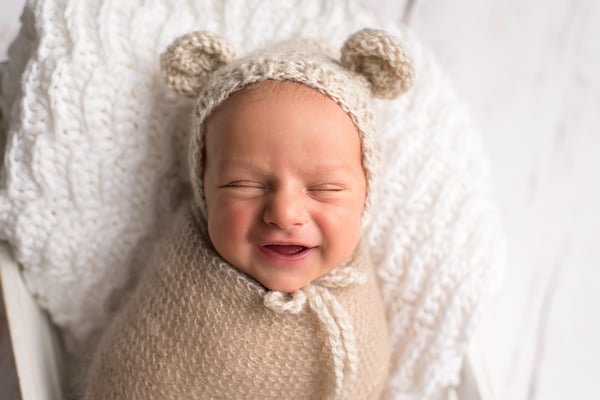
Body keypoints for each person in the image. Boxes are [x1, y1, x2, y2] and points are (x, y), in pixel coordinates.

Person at [83, 28, 413, 400]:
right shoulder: (176, 308)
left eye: (325, 189)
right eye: (245, 185)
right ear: (204, 189)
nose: (285, 214)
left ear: (366, 196)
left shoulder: (356, 303)